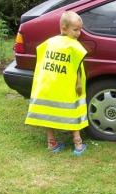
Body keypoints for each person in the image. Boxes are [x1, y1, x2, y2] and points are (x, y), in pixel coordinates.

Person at [25, 11, 88, 156]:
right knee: (74, 112)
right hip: (67, 88)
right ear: (64, 28)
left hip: (48, 87)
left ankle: (51, 143)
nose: (79, 33)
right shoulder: (75, 47)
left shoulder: (48, 43)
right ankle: (78, 144)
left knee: (49, 113)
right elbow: (77, 69)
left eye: (80, 29)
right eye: (75, 30)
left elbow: (42, 63)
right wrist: (78, 85)